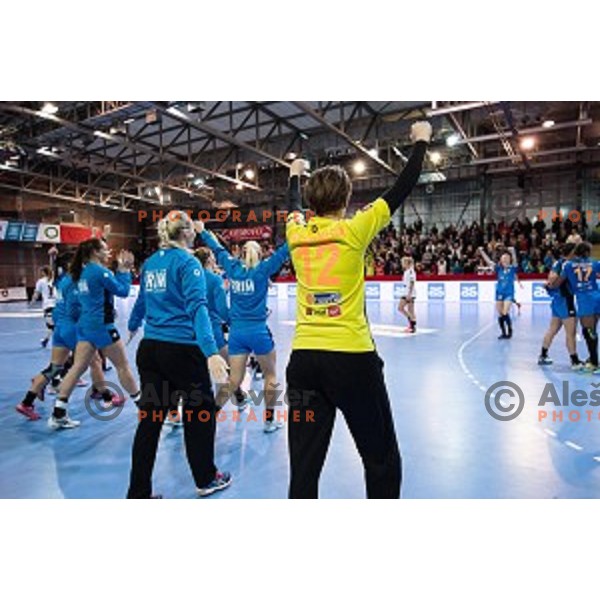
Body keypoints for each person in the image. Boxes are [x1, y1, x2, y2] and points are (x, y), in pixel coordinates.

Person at [284, 121, 432, 498]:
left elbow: (292, 207)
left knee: (303, 467)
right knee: (380, 458)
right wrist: (420, 143)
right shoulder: (354, 230)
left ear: (312, 201)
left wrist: (293, 176)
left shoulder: (296, 234)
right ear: (346, 199)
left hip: (303, 361)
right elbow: (401, 188)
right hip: (351, 360)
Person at [126, 211, 230, 498]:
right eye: (193, 229)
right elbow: (198, 309)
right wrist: (211, 352)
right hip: (182, 350)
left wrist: (133, 326)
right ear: (185, 233)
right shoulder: (188, 262)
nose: (196, 232)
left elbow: (142, 302)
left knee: (149, 422)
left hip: (150, 350)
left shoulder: (151, 263)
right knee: (200, 412)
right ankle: (206, 478)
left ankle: (138, 492)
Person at [197, 224, 289, 433]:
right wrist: (297, 229)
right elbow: (285, 251)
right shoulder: (264, 269)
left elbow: (218, 250)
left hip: (237, 334)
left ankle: (210, 417)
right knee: (271, 376)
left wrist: (203, 231)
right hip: (258, 331)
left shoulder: (232, 269)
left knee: (233, 380)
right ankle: (269, 420)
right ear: (258, 254)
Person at [48, 238, 139, 429]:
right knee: (123, 367)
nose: (109, 252)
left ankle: (58, 413)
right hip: (102, 327)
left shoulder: (80, 273)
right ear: (95, 252)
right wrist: (124, 271)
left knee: (76, 368)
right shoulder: (100, 272)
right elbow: (122, 291)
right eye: (105, 249)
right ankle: (144, 407)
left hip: (84, 326)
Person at [15, 253, 115, 420]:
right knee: (95, 362)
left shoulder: (61, 281)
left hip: (60, 326)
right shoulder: (76, 282)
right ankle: (105, 397)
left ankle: (27, 402)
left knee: (54, 367)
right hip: (72, 328)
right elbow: (76, 309)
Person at [194, 248, 248, 409]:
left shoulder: (188, 277)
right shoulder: (214, 279)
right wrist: (233, 323)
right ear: (209, 260)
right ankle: (236, 398)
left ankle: (176, 410)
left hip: (191, 330)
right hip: (212, 330)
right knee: (230, 368)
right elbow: (222, 309)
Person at [552, 242, 600, 372]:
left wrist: (549, 286)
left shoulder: (568, 265)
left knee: (587, 331)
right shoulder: (595, 262)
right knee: (593, 330)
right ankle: (592, 358)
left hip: (585, 300)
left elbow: (557, 283)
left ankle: (595, 363)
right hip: (597, 296)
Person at [538, 243, 582, 369]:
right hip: (565, 300)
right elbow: (553, 278)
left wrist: (549, 286)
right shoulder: (567, 264)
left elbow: (550, 278)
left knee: (552, 330)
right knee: (571, 333)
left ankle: (543, 355)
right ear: (571, 253)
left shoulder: (557, 263)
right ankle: (575, 361)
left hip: (557, 301)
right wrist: (554, 285)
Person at [478, 246, 523, 339]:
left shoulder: (512, 268)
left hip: (509, 294)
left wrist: (513, 251)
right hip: (499, 293)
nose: (506, 260)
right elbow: (488, 261)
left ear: (510, 260)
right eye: (504, 258)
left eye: (507, 258)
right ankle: (503, 332)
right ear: (501, 260)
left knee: (505, 312)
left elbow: (515, 260)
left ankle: (510, 330)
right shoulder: (498, 268)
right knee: (501, 314)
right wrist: (482, 251)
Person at [30, 266, 56, 347]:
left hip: (48, 305)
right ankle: (46, 340)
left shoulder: (40, 281)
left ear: (43, 272)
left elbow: (36, 293)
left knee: (52, 326)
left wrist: (32, 301)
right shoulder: (55, 279)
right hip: (58, 304)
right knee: (51, 326)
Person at [398, 256, 417, 333]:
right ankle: (412, 323)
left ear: (406, 263)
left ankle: (412, 326)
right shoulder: (406, 271)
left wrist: (409, 294)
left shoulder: (411, 271)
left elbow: (412, 283)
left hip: (410, 293)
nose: (402, 264)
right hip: (406, 292)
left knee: (408, 310)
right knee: (402, 308)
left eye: (403, 263)